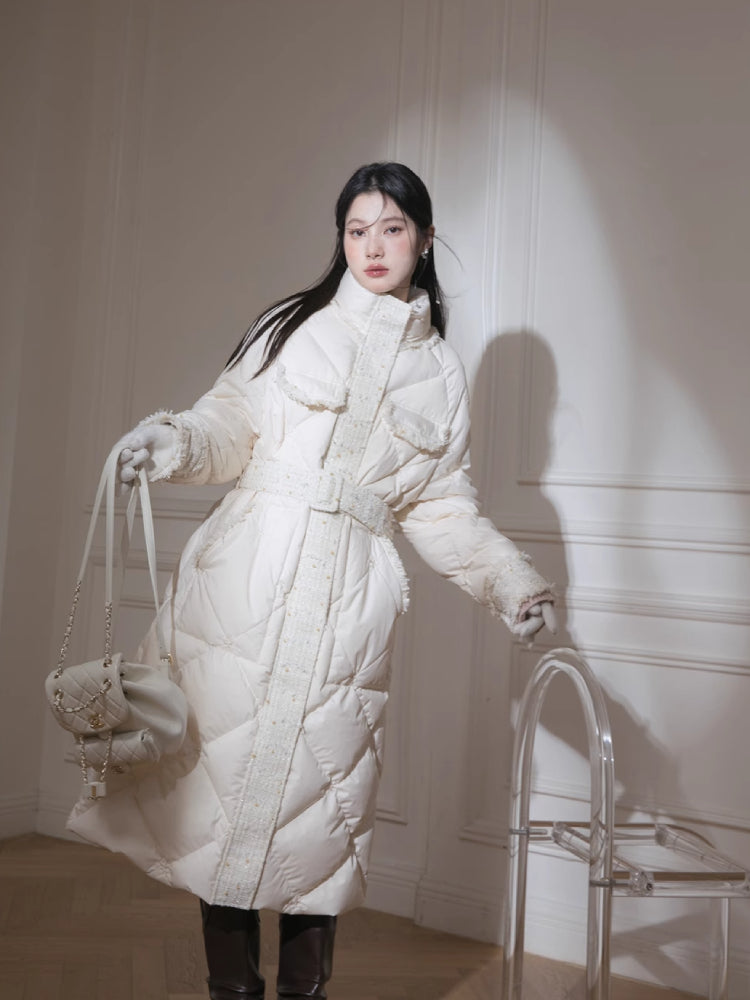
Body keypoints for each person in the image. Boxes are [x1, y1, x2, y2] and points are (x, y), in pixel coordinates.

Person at [68, 162, 556, 1000]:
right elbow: (228, 424)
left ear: (424, 240)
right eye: (358, 230)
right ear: (341, 238)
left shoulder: (441, 373)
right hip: (243, 587)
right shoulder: (290, 326)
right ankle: (230, 988)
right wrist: (170, 442)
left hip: (347, 609)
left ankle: (304, 991)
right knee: (216, 797)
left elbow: (440, 506)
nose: (374, 246)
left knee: (321, 815)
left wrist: (512, 583)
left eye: (392, 229)